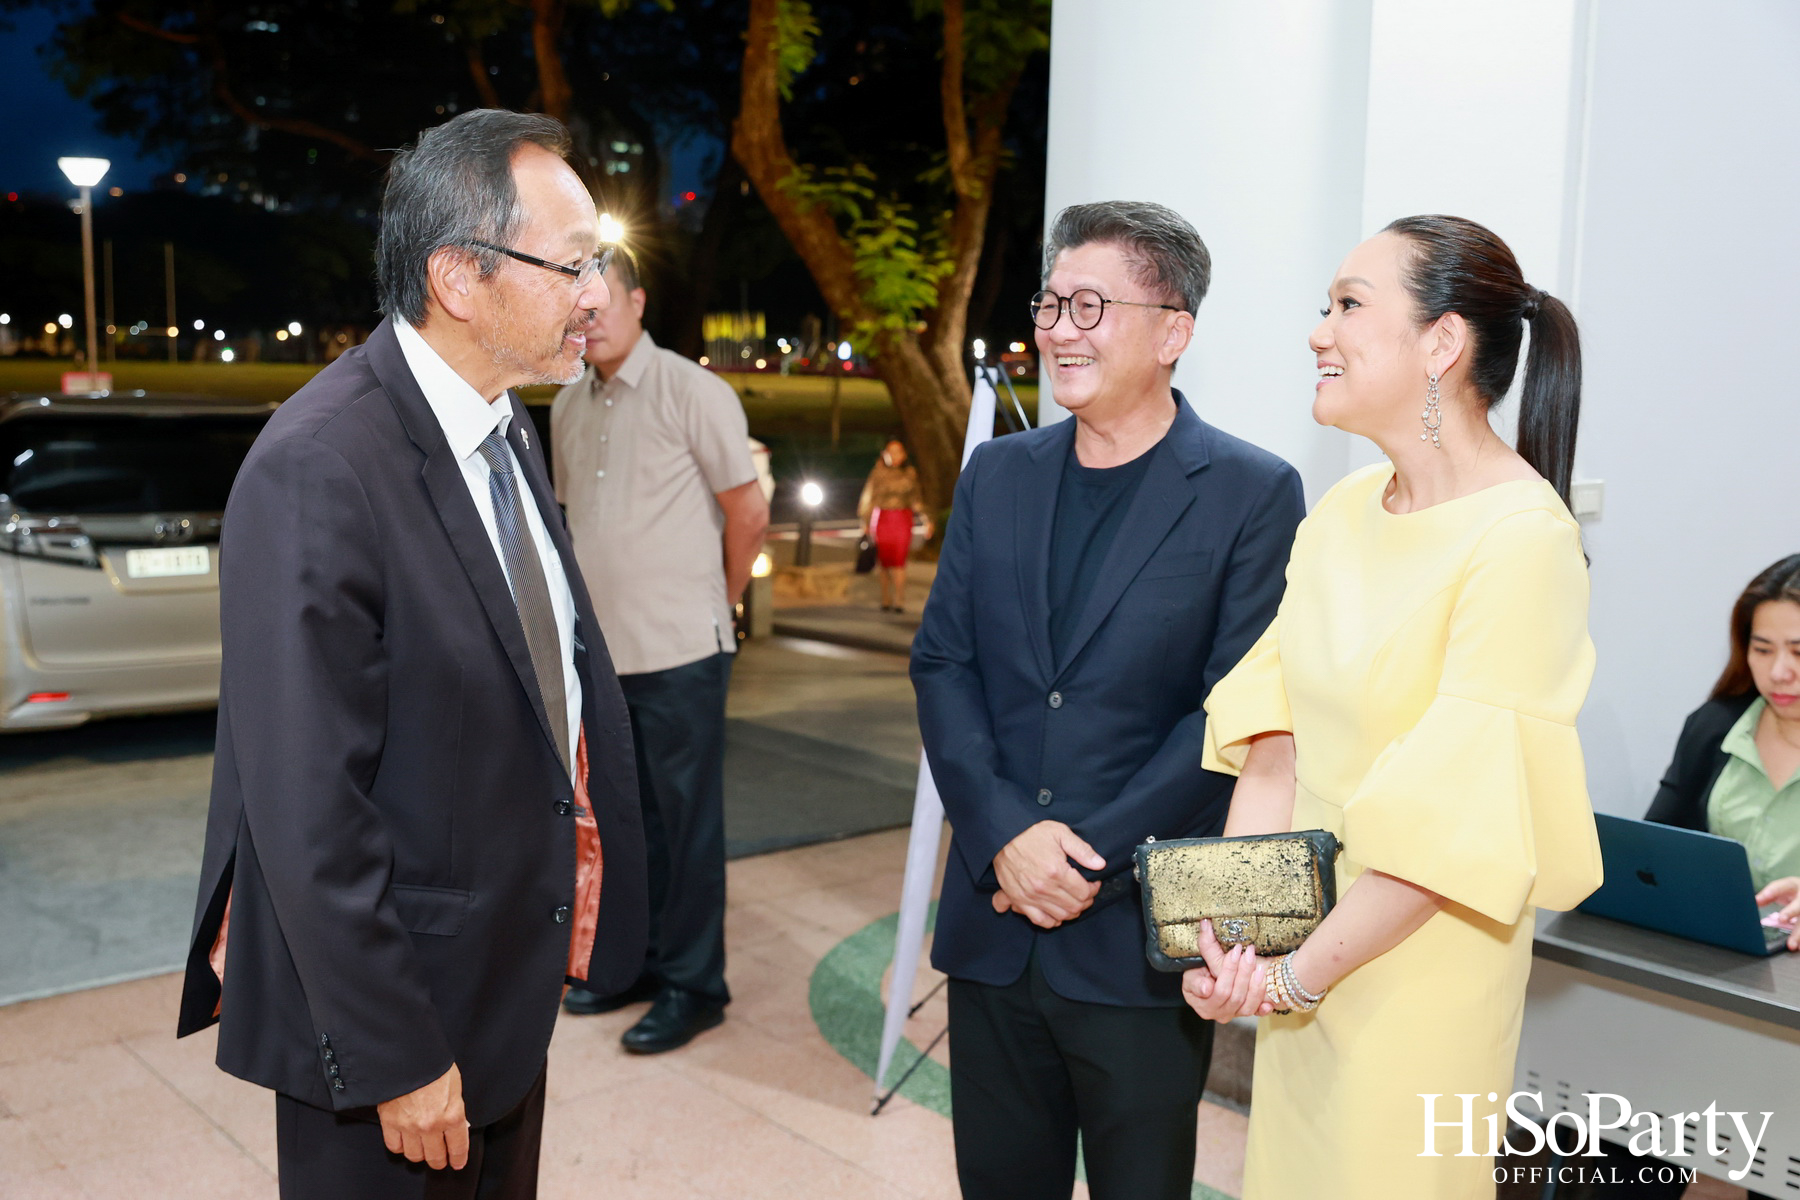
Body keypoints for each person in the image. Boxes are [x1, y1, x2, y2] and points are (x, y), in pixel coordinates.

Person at [174, 110, 649, 1198]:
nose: (596, 294)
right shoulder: (320, 465)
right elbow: (305, 809)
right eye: (574, 264)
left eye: (599, 262)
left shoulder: (506, 424)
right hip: (396, 1037)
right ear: (459, 277)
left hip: (500, 999)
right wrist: (397, 1055)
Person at [1180, 215, 1604, 1199]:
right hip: (1313, 963)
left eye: (1349, 305)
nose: (1319, 331)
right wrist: (1238, 940)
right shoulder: (1342, 512)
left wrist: (1288, 976)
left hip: (1418, 984)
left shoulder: (1522, 538)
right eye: (1325, 305)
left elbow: (1452, 834)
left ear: (1442, 344)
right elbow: (1274, 740)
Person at [912, 200, 1304, 1200]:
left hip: (1133, 933)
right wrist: (1005, 834)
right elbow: (943, 664)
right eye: (1050, 302)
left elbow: (1230, 711)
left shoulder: (1252, 493)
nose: (1059, 327)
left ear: (1174, 331)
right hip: (994, 922)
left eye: (1091, 303)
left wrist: (1075, 856)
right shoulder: (998, 474)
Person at [550, 242, 769, 1052]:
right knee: (622, 827)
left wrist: (719, 600)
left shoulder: (693, 391)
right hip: (603, 661)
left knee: (686, 830)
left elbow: (747, 514)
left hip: (681, 652)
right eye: (580, 304)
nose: (592, 316)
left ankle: (694, 986)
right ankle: (637, 963)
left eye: (605, 302)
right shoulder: (568, 400)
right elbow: (574, 527)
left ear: (639, 304)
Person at [1647, 553, 1800, 954]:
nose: (1780, 671)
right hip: (1724, 955)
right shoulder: (1715, 725)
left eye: (1799, 652)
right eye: (1763, 650)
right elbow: (1657, 852)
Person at [857, 437, 933, 612]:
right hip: (882, 518)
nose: (894, 456)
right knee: (884, 560)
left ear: (904, 454)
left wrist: (927, 519)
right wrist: (866, 521)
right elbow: (869, 498)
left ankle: (899, 599)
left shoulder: (910, 473)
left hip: (902, 519)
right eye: (890, 452)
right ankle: (885, 597)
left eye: (898, 452)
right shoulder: (878, 473)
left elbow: (916, 499)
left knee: (899, 559)